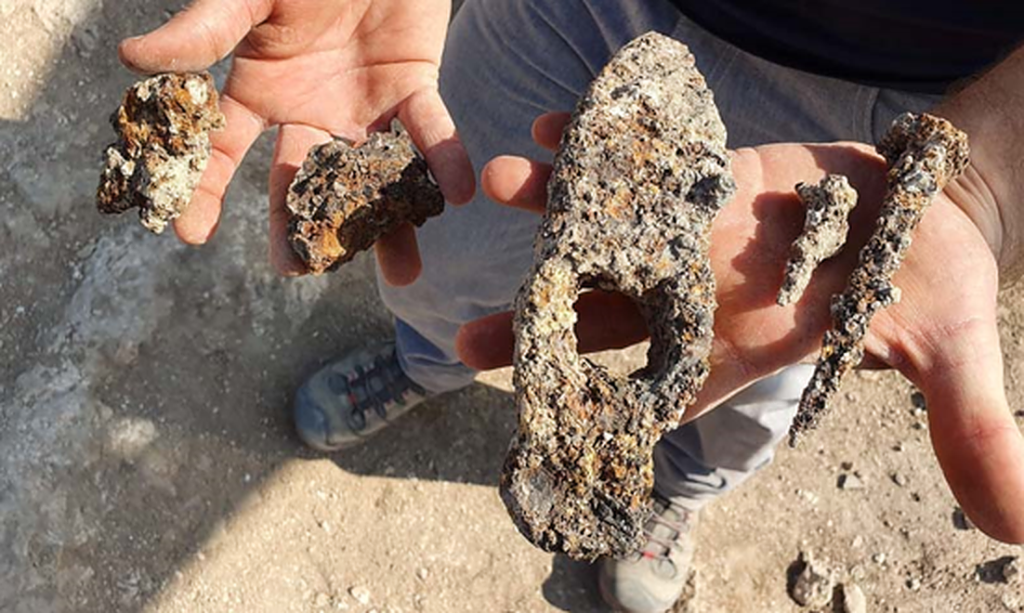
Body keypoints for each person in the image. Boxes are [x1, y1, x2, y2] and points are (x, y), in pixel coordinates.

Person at [119, 1, 1024, 611]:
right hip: (570, 12)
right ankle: (425, 360)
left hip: (900, 99)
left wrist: (989, 175)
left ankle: (671, 487)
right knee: (447, 252)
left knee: (757, 354)